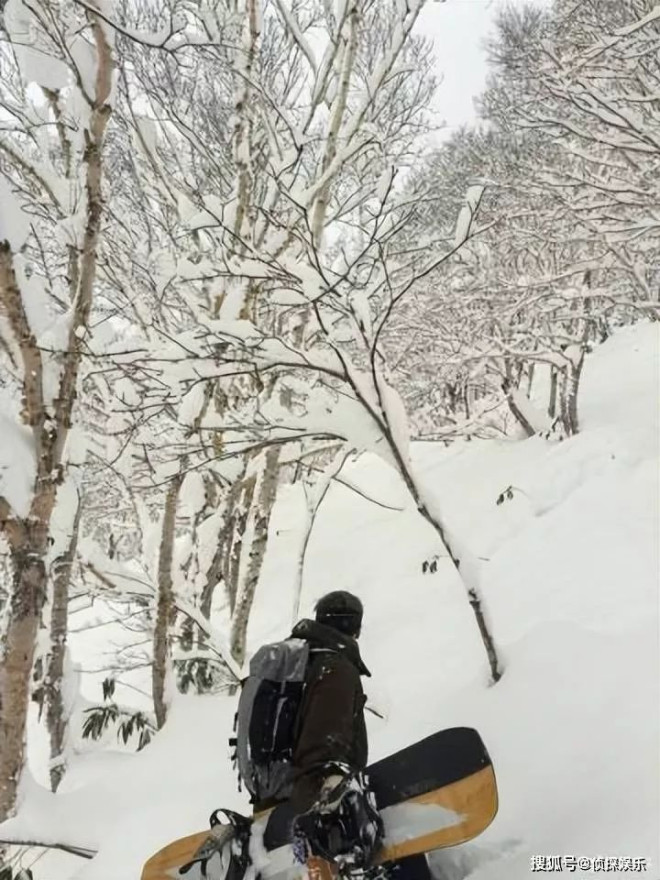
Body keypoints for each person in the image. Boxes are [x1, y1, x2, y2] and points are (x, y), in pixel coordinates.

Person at [262, 591, 432, 880]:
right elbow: (323, 743)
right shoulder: (335, 669)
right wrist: (331, 800)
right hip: (319, 802)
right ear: (355, 627)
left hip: (283, 796)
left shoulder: (301, 666)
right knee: (401, 861)